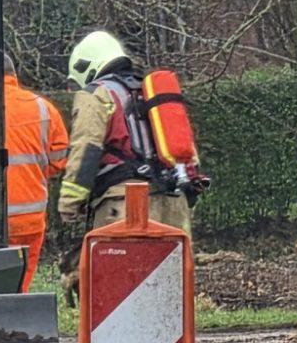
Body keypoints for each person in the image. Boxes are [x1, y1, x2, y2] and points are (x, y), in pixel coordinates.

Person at [57, 30, 194, 233]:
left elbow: (86, 148)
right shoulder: (150, 92)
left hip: (125, 206)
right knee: (173, 264)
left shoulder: (97, 94)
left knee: (119, 265)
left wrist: (70, 201)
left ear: (85, 66)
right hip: (174, 205)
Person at [2, 54, 68, 292]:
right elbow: (60, 160)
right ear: (14, 75)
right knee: (23, 282)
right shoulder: (43, 108)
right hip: (31, 218)